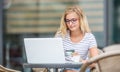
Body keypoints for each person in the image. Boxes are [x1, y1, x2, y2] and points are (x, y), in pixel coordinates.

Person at [55, 5, 98, 72]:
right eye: (67, 21)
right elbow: (54, 55)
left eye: (74, 20)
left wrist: (81, 61)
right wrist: (70, 53)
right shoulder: (61, 35)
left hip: (81, 69)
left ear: (81, 20)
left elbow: (95, 62)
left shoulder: (89, 37)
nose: (70, 24)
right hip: (64, 69)